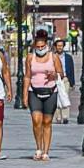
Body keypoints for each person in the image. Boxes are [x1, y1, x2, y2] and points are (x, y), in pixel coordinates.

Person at [23, 30, 60, 161]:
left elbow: (61, 73)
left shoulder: (53, 57)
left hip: (51, 92)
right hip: (34, 91)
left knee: (47, 122)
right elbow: (27, 76)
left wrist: (54, 75)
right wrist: (25, 95)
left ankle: (46, 151)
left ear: (46, 45)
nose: (40, 49)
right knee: (36, 121)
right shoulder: (30, 57)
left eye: (42, 47)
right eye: (37, 47)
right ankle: (38, 148)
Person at [54, 41, 75, 124]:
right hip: (55, 79)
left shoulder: (68, 57)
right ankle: (58, 117)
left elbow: (72, 70)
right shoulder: (52, 57)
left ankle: (65, 116)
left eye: (61, 46)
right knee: (56, 98)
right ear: (55, 47)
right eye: (58, 46)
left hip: (65, 79)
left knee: (65, 97)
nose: (60, 47)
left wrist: (72, 83)